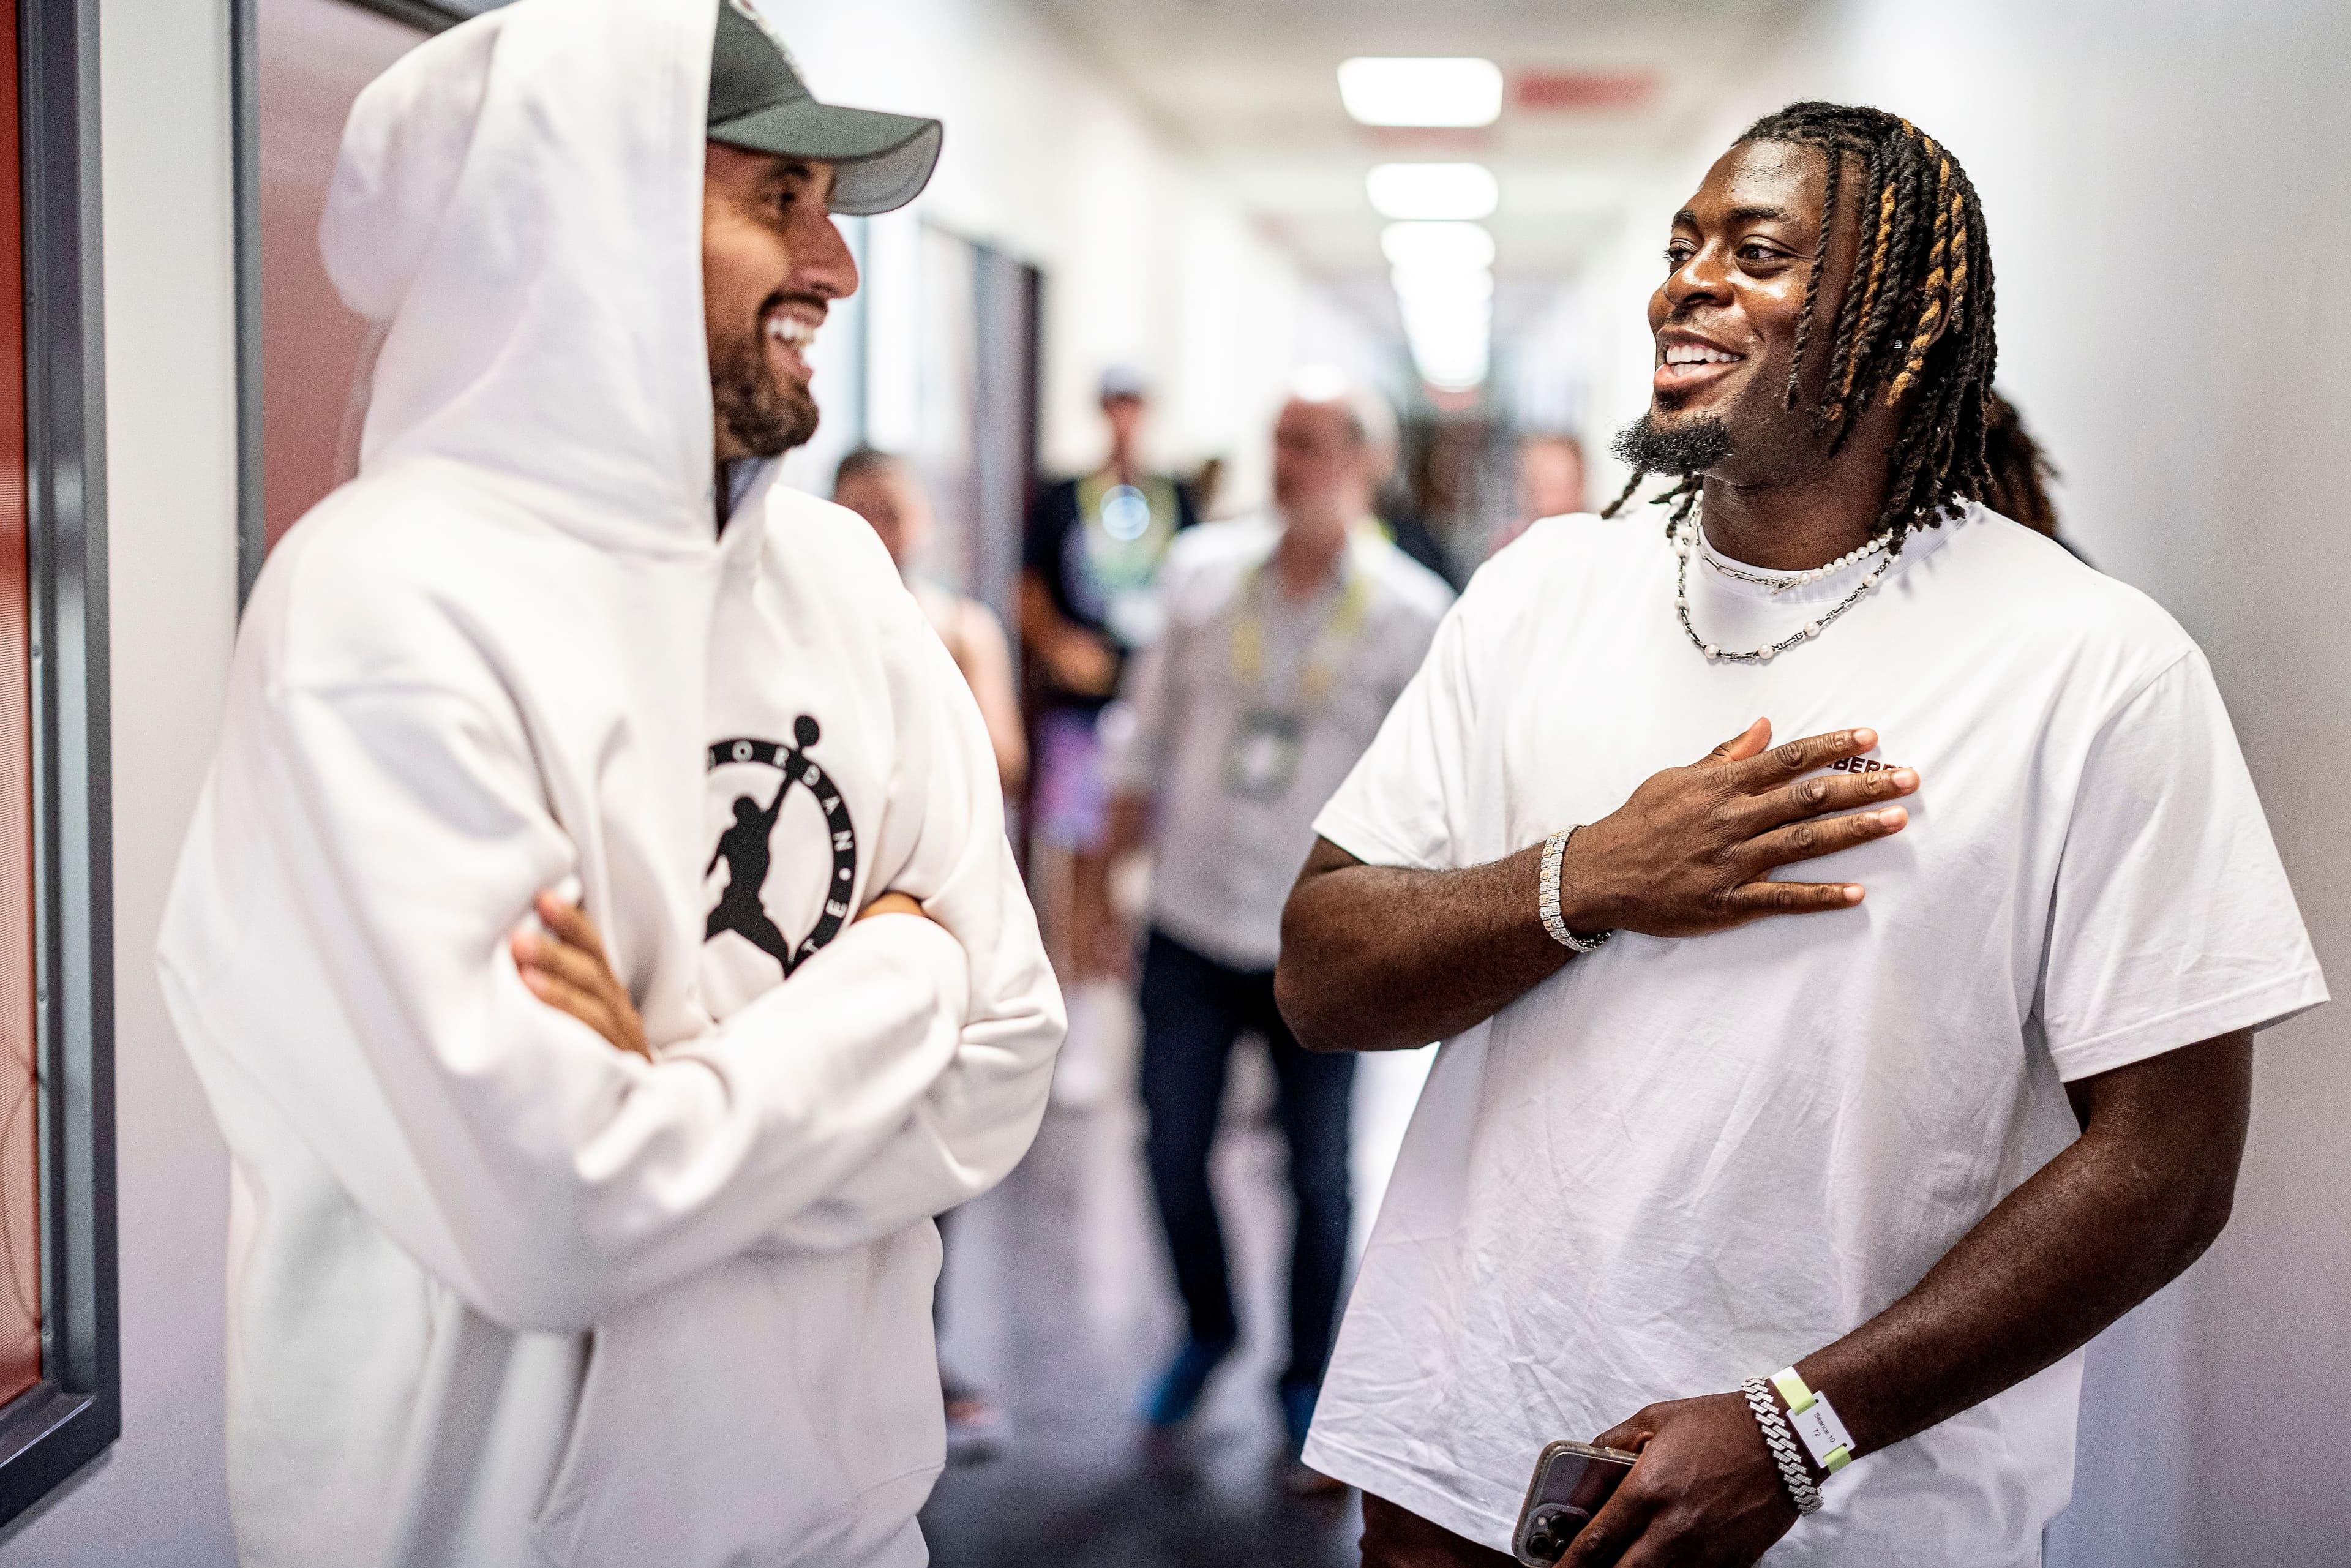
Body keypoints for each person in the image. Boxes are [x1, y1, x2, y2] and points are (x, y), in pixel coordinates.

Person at [1276, 102, 2325, 1568]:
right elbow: (1320, 971)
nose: (1685, 284)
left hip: (1854, 1518)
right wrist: (1590, 875)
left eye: (1755, 253)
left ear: (1899, 330)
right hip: (1461, 1461)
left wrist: (1797, 1425)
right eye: (1681, 246)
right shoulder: (1538, 593)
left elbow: (2170, 1160)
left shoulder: (2092, 664)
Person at [157, 4, 1063, 1566]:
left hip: (849, 1528)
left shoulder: (839, 577)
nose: (836, 268)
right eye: (775, 200)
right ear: (591, 212)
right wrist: (907, 969)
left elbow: (1008, 1063)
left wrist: (672, 1098)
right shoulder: (379, 609)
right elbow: (558, 1211)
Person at [1079, 377, 1453, 1493]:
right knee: (1169, 1149)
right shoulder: (1202, 575)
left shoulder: (1411, 613)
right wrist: (1099, 890)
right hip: (1192, 918)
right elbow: (1142, 739)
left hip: (1320, 943)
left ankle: (1305, 1381)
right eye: (1280, 440)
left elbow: (1429, 797)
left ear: (1366, 462)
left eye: (1311, 442)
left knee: (1319, 1177)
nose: (1287, 462)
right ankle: (1208, 1329)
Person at [835, 446, 1027, 797]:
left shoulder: (964, 629)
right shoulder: (818, 626)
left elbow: (1006, 764)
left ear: (922, 518)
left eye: (890, 515)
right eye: (860, 517)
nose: (876, 533)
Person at [1488, 431, 1588, 557]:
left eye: (1555, 484)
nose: (1548, 496)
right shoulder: (1511, 541)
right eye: (1537, 482)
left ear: (1580, 483)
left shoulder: (1596, 539)